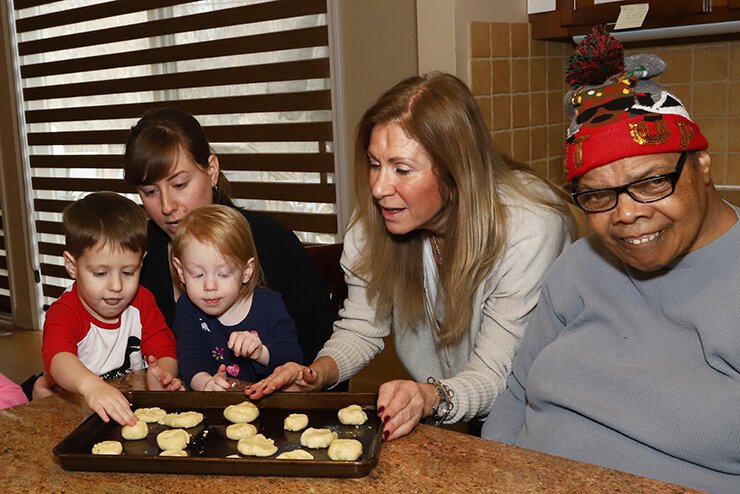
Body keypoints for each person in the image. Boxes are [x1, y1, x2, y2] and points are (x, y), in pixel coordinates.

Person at [246, 72, 574, 441]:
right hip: (454, 415)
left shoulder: (530, 228)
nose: (379, 187)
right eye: (374, 164)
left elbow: (496, 373)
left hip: (540, 422)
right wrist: (317, 374)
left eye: (401, 169)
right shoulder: (382, 217)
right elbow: (361, 327)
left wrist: (428, 396)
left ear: (456, 171)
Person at [482, 28, 740, 493]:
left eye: (651, 182)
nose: (626, 215)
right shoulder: (579, 266)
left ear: (702, 165)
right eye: (598, 194)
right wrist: (503, 473)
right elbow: (515, 395)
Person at [122, 108, 333, 366]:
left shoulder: (272, 245)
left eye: (179, 185)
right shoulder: (134, 256)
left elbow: (320, 357)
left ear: (211, 170)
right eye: (150, 191)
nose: (167, 206)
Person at [37, 192, 184, 426]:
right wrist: (91, 386)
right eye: (100, 273)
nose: (116, 286)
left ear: (141, 263)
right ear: (72, 266)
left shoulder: (143, 301)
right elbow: (58, 358)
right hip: (77, 414)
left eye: (128, 272)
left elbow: (164, 347)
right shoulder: (64, 312)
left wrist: (163, 375)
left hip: (128, 410)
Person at [170, 205, 303, 391]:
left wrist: (261, 353)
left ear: (247, 271)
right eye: (197, 275)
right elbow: (190, 358)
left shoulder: (269, 304)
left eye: (223, 274)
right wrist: (205, 384)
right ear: (181, 272)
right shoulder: (187, 307)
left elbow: (292, 355)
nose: (210, 286)